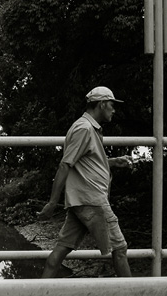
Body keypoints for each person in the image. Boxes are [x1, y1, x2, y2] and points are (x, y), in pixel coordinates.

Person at [38, 86, 134, 278]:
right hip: (92, 202)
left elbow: (85, 161)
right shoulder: (84, 129)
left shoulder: (88, 128)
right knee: (120, 249)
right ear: (102, 104)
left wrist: (113, 162)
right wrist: (51, 203)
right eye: (112, 105)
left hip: (82, 201)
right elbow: (65, 165)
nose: (114, 110)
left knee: (61, 249)